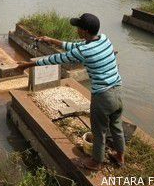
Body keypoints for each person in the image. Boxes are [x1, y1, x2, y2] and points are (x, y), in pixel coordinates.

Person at [16, 13, 125, 170]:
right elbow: (76, 46)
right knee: (116, 125)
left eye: (78, 28)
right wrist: (52, 40)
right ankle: (120, 156)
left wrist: (27, 65)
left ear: (85, 31)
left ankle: (96, 162)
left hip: (103, 96)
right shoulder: (104, 39)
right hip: (118, 91)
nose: (76, 30)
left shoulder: (85, 51)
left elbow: (55, 59)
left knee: (98, 131)